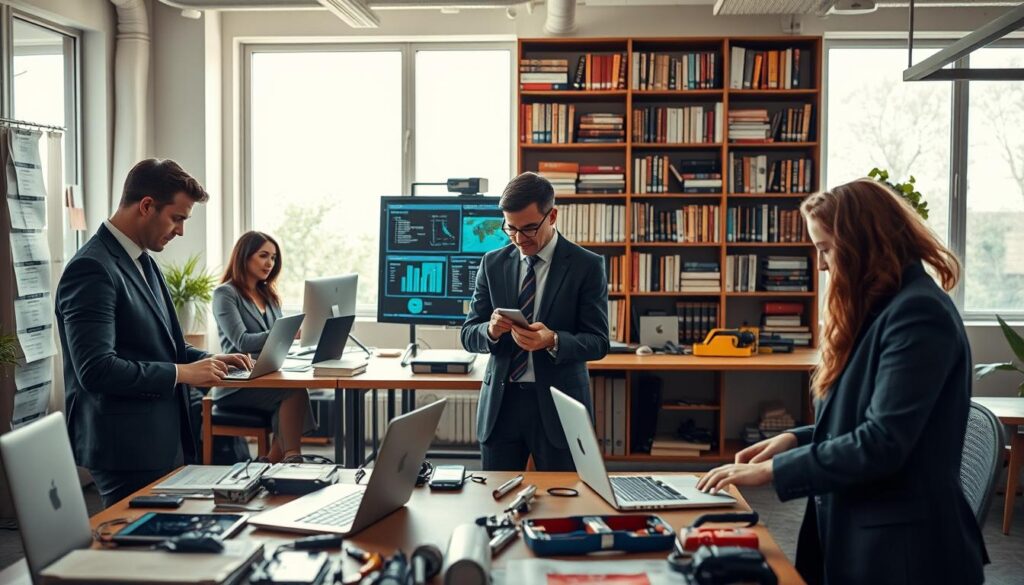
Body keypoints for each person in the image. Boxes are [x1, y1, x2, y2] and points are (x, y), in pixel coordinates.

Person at [696, 179, 987, 585]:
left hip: (905, 553)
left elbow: (882, 442)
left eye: (826, 249)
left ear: (863, 243)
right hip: (866, 531)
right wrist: (796, 439)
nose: (821, 265)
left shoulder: (918, 315)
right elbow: (865, 417)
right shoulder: (885, 307)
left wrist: (775, 471)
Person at [56, 158, 252, 508]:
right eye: (177, 218)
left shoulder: (144, 260)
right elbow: (96, 369)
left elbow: (168, 349)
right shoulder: (91, 268)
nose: (180, 231)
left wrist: (210, 360)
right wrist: (182, 373)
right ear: (147, 205)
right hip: (124, 446)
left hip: (161, 436)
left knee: (161, 545)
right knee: (130, 552)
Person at [461, 172, 609, 472]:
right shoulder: (492, 263)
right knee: (495, 503)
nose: (518, 239)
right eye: (510, 229)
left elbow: (598, 342)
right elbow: (468, 334)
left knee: (563, 504)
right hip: (501, 405)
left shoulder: (587, 266)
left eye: (528, 228)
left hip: (559, 406)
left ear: (551, 215)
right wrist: (489, 331)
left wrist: (552, 340)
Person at [211, 231, 315, 463]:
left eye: (274, 258)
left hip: (268, 373)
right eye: (263, 255)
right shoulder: (225, 294)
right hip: (237, 383)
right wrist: (285, 333)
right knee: (294, 391)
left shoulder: (268, 295)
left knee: (296, 388)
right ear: (245, 257)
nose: (270, 263)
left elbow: (278, 341)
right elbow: (242, 341)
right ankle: (290, 457)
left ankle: (273, 460)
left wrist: (296, 338)